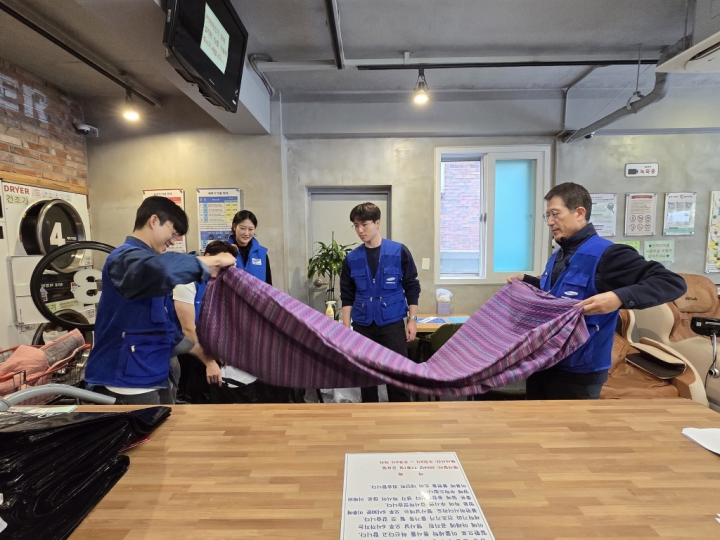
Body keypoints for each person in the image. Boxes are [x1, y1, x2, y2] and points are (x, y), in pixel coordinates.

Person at [508, 182, 686, 400]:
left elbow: (671, 282)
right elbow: (555, 296)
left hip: (578, 371)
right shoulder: (558, 255)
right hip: (543, 363)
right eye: (548, 216)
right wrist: (527, 281)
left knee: (572, 423)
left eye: (555, 214)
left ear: (579, 213)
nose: (550, 222)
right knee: (537, 421)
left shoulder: (608, 255)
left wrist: (618, 297)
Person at [84, 196, 236, 405]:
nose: (173, 241)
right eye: (172, 233)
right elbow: (162, 269)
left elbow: (168, 332)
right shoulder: (124, 260)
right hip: (128, 382)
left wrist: (208, 358)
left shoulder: (149, 265)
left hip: (155, 374)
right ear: (154, 220)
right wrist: (213, 260)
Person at [340, 202, 421, 402]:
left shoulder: (399, 251)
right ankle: (371, 418)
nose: (360, 230)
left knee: (398, 377)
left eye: (364, 224)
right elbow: (347, 295)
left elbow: (411, 286)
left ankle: (400, 417)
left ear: (377, 223)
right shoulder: (351, 259)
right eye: (356, 225)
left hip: (392, 325)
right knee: (367, 379)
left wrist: (413, 320)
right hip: (363, 326)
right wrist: (346, 329)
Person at [173, 240, 238, 403]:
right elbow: (187, 330)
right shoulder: (187, 281)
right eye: (220, 265)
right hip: (180, 344)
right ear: (208, 258)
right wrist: (209, 361)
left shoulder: (222, 282)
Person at [229, 210, 272, 285]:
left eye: (250, 229)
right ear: (234, 227)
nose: (246, 233)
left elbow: (268, 286)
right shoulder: (224, 251)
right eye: (242, 228)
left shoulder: (262, 254)